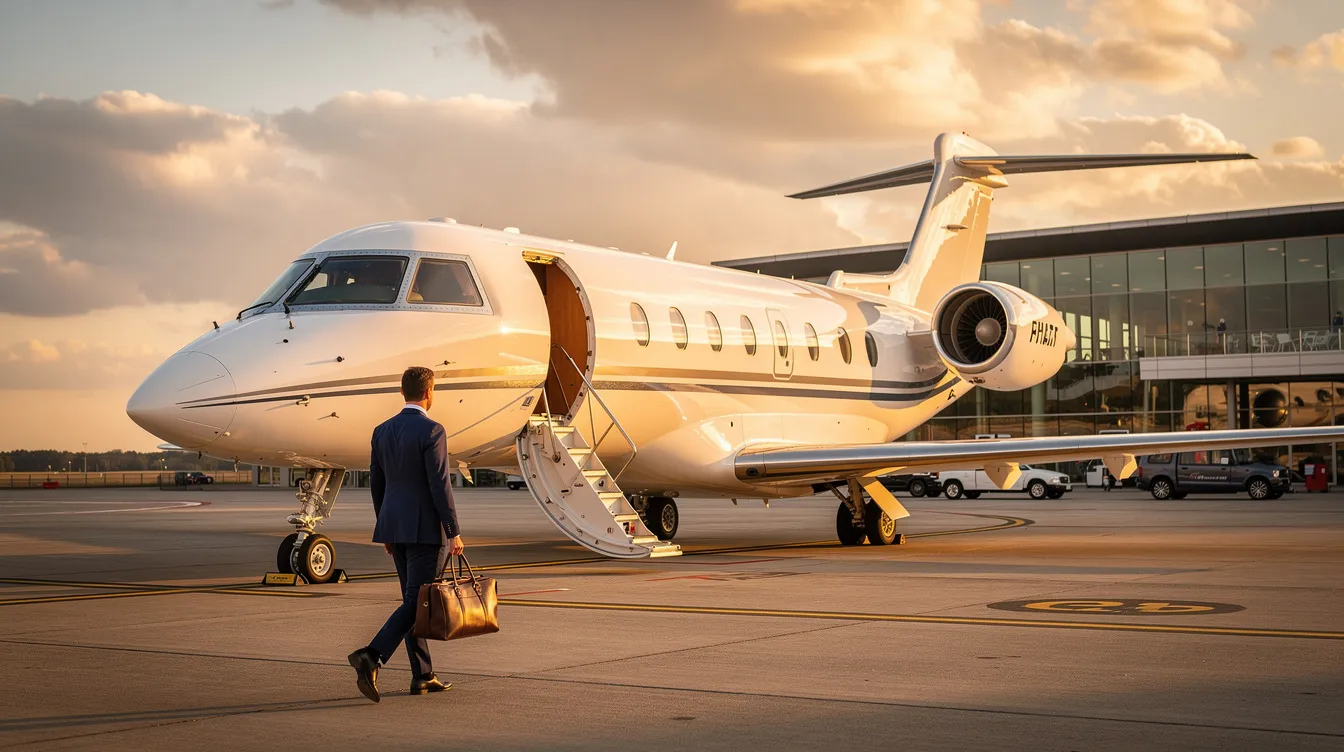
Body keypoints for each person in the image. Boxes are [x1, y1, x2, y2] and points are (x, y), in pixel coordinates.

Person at [347, 366, 465, 703]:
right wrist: (452, 531)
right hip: (425, 531)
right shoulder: (432, 430)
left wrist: (384, 527)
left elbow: (377, 484)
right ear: (429, 393)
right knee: (418, 602)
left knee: (414, 602)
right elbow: (439, 484)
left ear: (403, 392)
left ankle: (423, 675)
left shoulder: (381, 431)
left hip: (394, 528)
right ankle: (373, 655)